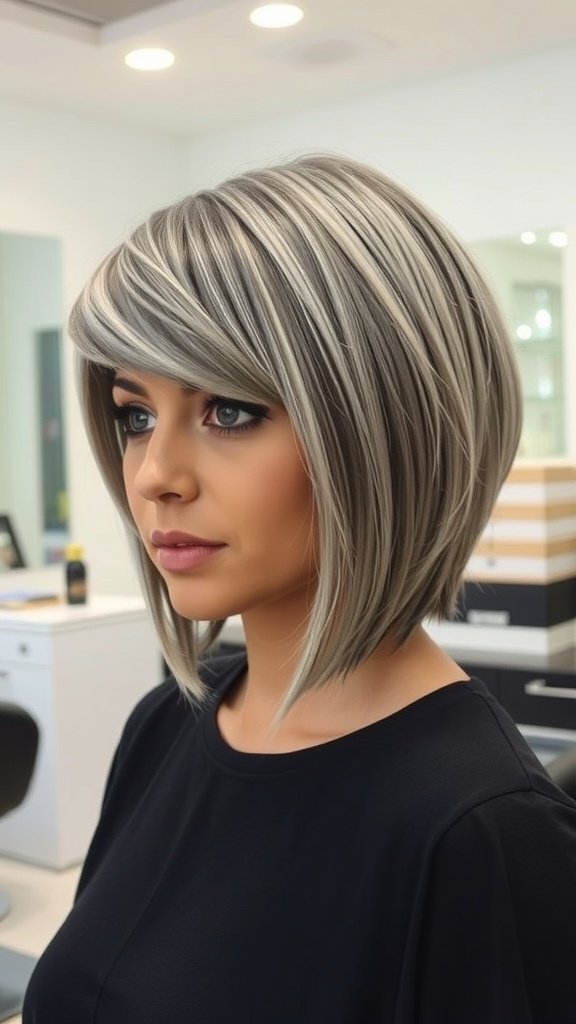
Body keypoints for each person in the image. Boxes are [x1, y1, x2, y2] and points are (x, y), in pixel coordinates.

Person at [23, 155, 576, 1023]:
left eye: (229, 410)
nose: (155, 474)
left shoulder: (483, 835)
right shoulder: (166, 723)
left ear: (385, 425)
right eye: (136, 415)